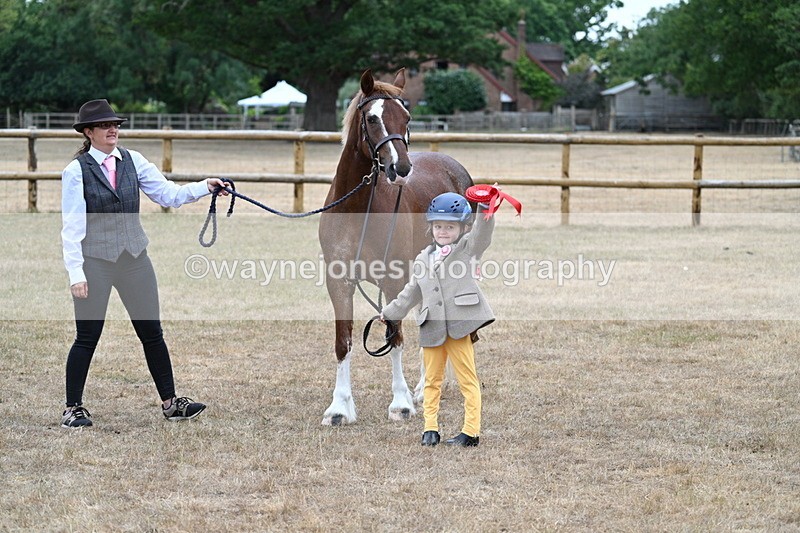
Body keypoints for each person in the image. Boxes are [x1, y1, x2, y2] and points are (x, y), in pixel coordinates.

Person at [60, 99, 230, 428]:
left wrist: (203, 187)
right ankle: (73, 408)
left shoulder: (133, 161)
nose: (113, 130)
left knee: (152, 332)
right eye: (105, 126)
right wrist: (76, 273)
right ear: (89, 132)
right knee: (87, 336)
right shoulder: (76, 171)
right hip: (95, 261)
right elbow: (71, 227)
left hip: (134, 259)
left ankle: (171, 403)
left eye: (116, 125)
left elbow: (167, 194)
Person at [381, 192, 495, 447]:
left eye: (450, 227)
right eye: (438, 226)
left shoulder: (467, 249)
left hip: (458, 326)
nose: (443, 232)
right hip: (431, 326)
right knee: (431, 380)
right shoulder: (423, 258)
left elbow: (482, 235)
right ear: (431, 227)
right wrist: (390, 313)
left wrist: (486, 207)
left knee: (467, 379)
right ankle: (430, 428)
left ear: (463, 228)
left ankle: (471, 432)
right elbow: (411, 292)